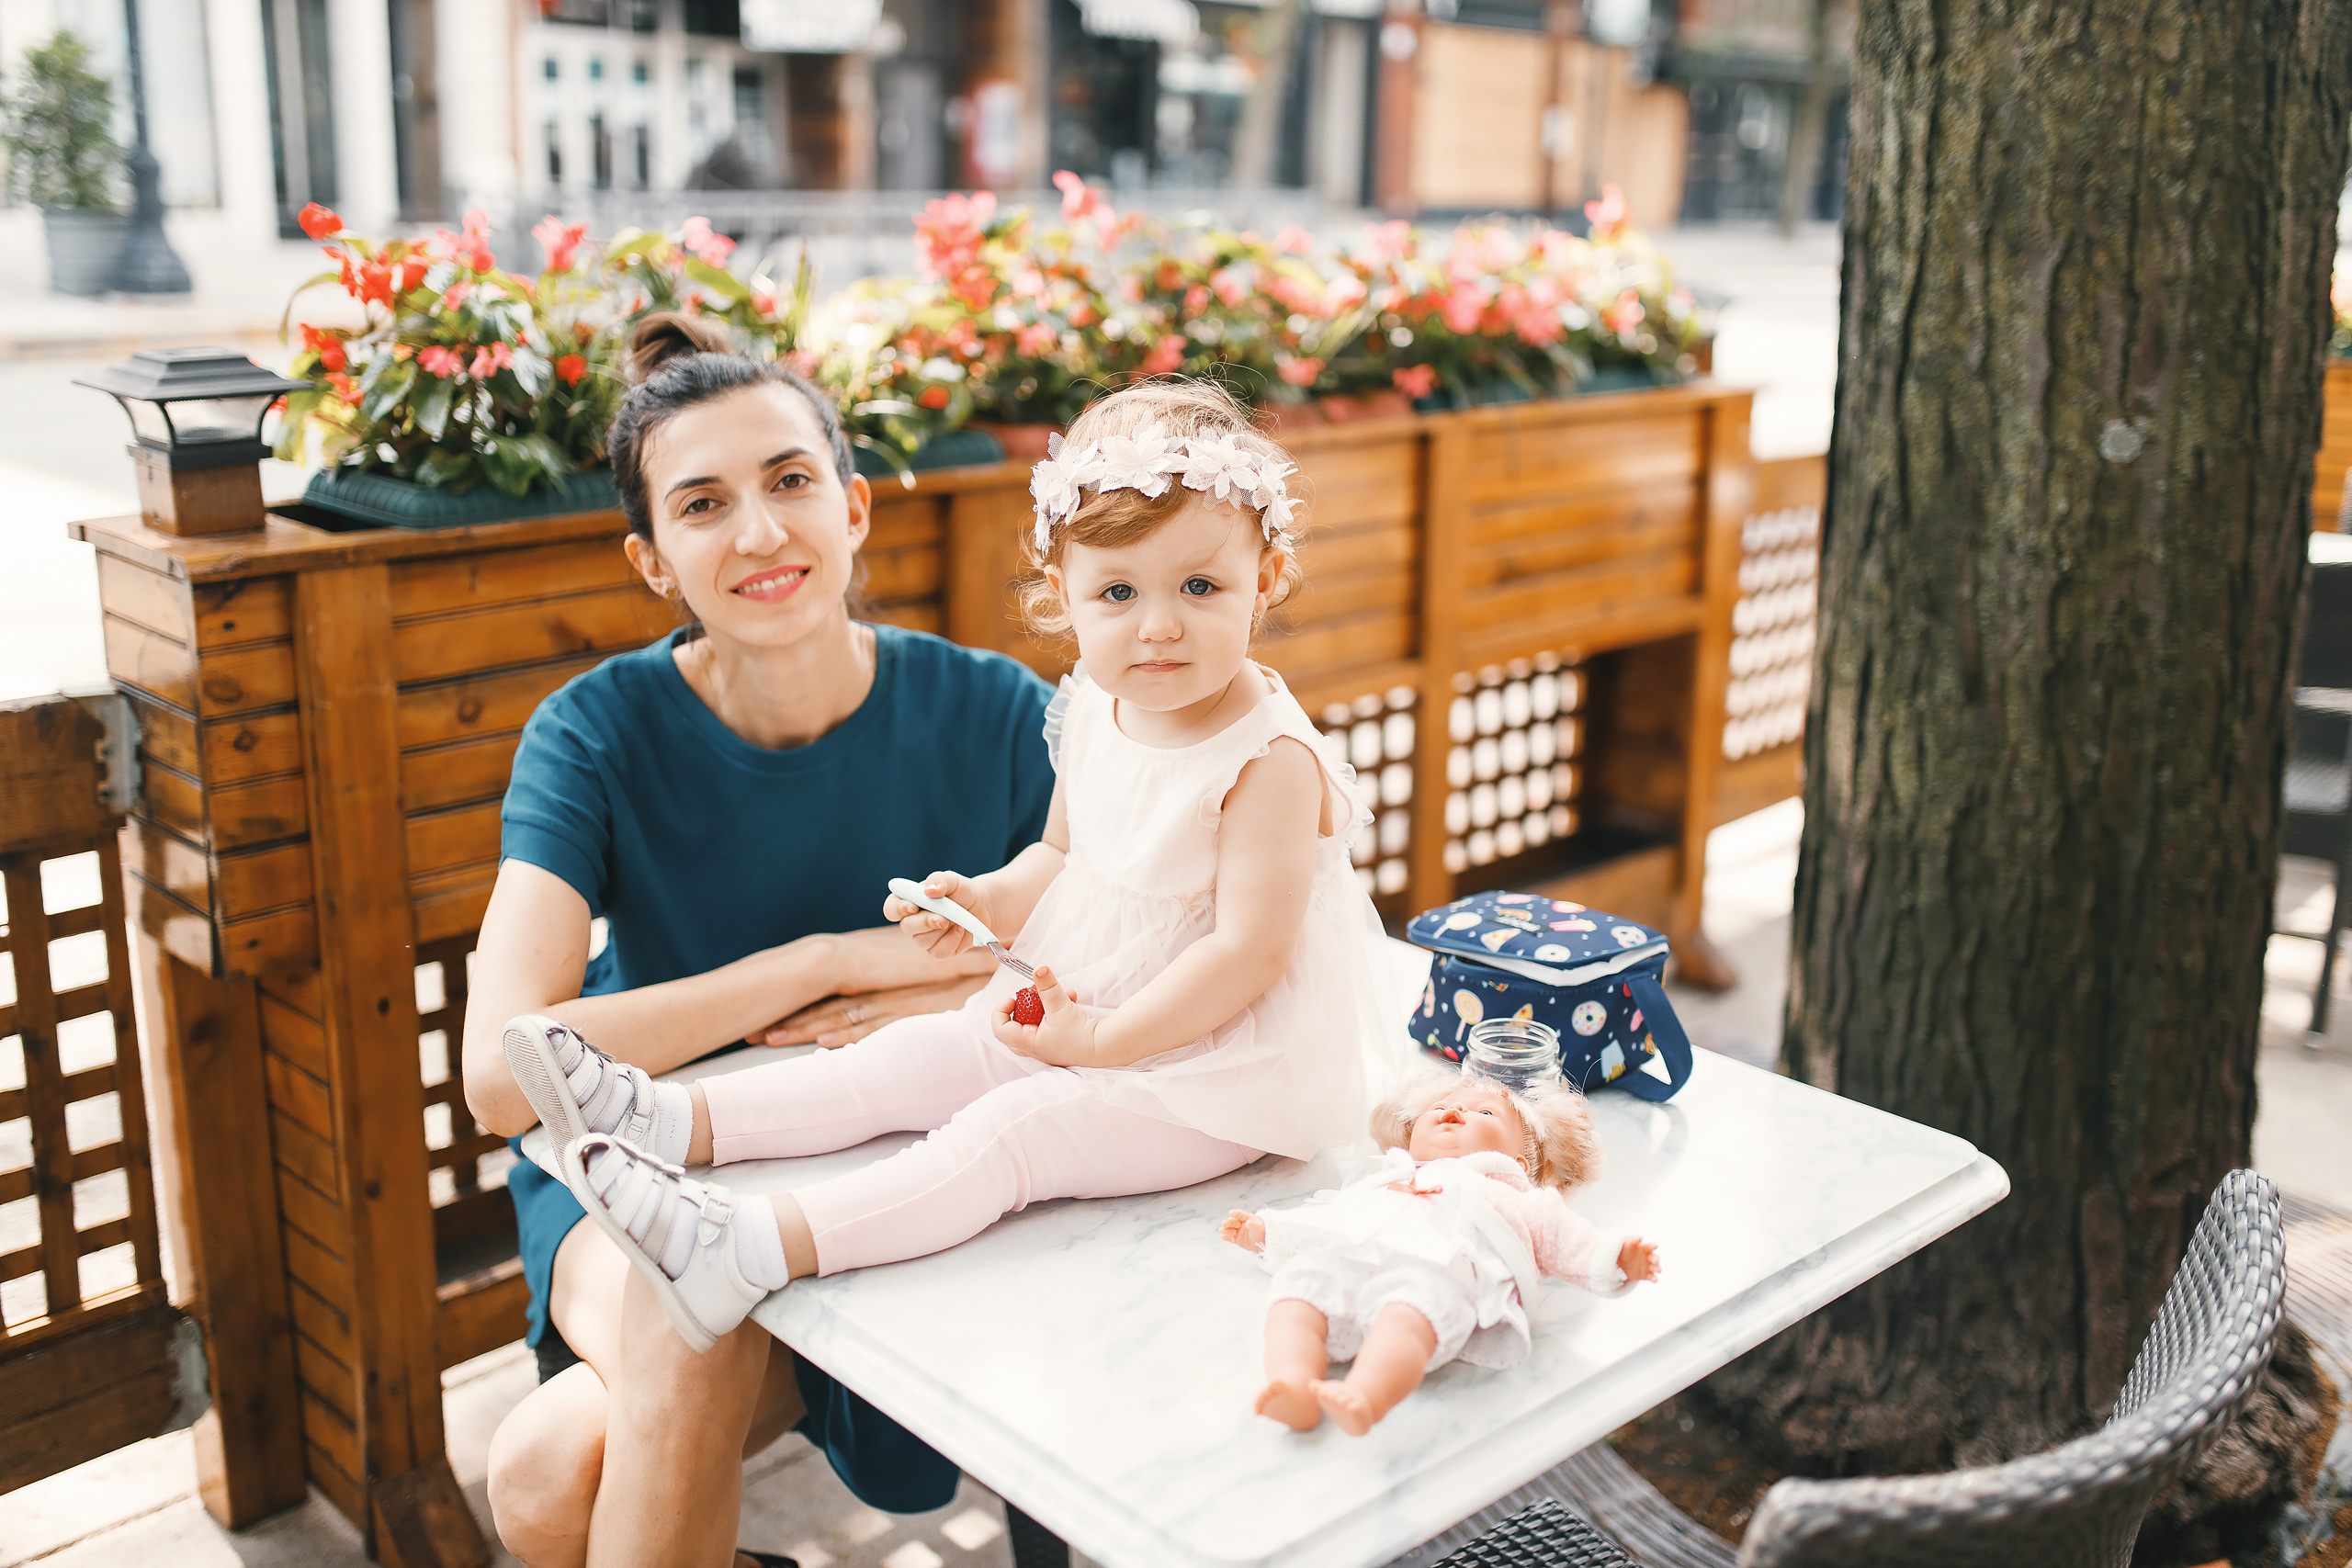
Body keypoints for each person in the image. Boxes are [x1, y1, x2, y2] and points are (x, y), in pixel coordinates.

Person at [499, 378, 1396, 1356]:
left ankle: (753, 1246)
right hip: (1095, 1014)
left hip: (1210, 1075)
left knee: (1008, 1136)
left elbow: (1245, 955)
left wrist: (1099, 1043)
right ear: (1066, 597)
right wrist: (986, 903)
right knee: (908, 1058)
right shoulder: (1100, 708)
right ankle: (669, 1120)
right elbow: (1060, 854)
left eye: (1199, 587)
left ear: (1263, 580)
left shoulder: (1268, 760)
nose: (1158, 627)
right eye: (1118, 593)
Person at [460, 313, 1057, 1568]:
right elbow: (506, 1071)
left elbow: (1116, 968)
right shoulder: (593, 731)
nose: (760, 531)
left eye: (790, 482)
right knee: (692, 1312)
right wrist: (827, 960)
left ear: (854, 508)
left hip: (897, 1164)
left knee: (545, 1472)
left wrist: (933, 1011)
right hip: (639, 1163)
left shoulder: (999, 711)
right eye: (704, 503)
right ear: (652, 559)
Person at [1222, 1070, 1664, 1435]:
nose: (1454, 1111)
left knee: (1409, 1316)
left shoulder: (1506, 1193)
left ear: (1521, 1161)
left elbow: (1563, 1236)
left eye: (1484, 1113)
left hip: (1433, 1273)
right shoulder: (1379, 1177)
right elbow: (1331, 1217)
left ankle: (1366, 1394)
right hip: (1349, 1258)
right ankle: (1292, 1382)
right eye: (1440, 1108)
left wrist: (1615, 1258)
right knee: (1296, 1298)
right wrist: (1267, 1231)